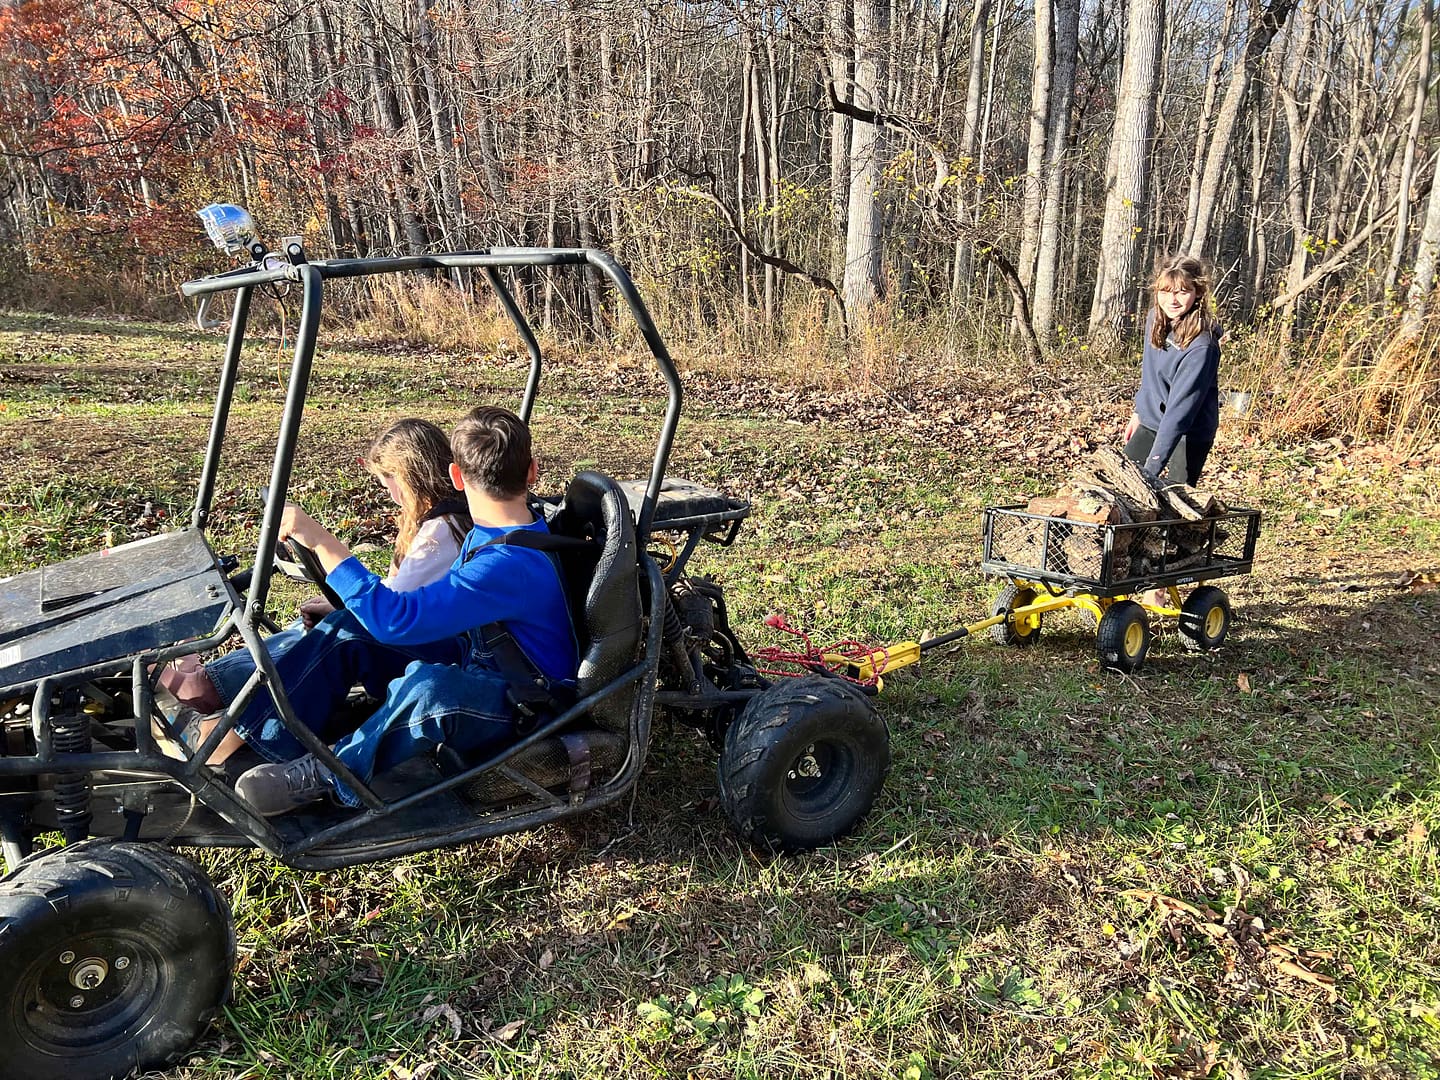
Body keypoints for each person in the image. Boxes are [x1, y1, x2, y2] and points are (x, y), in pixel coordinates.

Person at [212, 405, 578, 816]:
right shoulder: (497, 532)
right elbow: (409, 612)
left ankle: (331, 773)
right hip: (483, 660)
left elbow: (397, 620)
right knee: (350, 630)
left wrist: (322, 541)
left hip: (526, 702)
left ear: (457, 476)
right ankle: (259, 734)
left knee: (429, 688)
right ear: (532, 471)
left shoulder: (508, 564)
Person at [158, 417, 471, 746]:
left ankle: (235, 731)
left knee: (342, 633)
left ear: (409, 475)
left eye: (388, 479)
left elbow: (390, 615)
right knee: (314, 627)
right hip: (419, 638)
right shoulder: (430, 525)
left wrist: (321, 543)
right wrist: (337, 601)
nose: (388, 491)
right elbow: (400, 596)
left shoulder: (442, 532)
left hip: (437, 661)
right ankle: (209, 686)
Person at [1122, 255, 1222, 486]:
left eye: (1182, 292)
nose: (1172, 301)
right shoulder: (1154, 321)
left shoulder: (1202, 347)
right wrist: (1140, 412)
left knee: (1176, 501)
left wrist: (1152, 469)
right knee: (1123, 487)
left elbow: (1179, 413)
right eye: (1165, 292)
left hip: (1189, 433)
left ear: (1198, 293)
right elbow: (1149, 376)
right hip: (1151, 423)